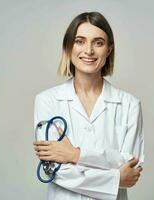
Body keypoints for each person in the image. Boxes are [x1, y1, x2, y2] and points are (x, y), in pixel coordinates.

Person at [33, 11, 145, 200]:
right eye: (80, 41)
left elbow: (129, 165)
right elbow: (57, 172)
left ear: (108, 50)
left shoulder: (130, 105)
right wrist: (115, 178)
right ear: (69, 47)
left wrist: (75, 155)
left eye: (98, 43)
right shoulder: (47, 101)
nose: (89, 50)